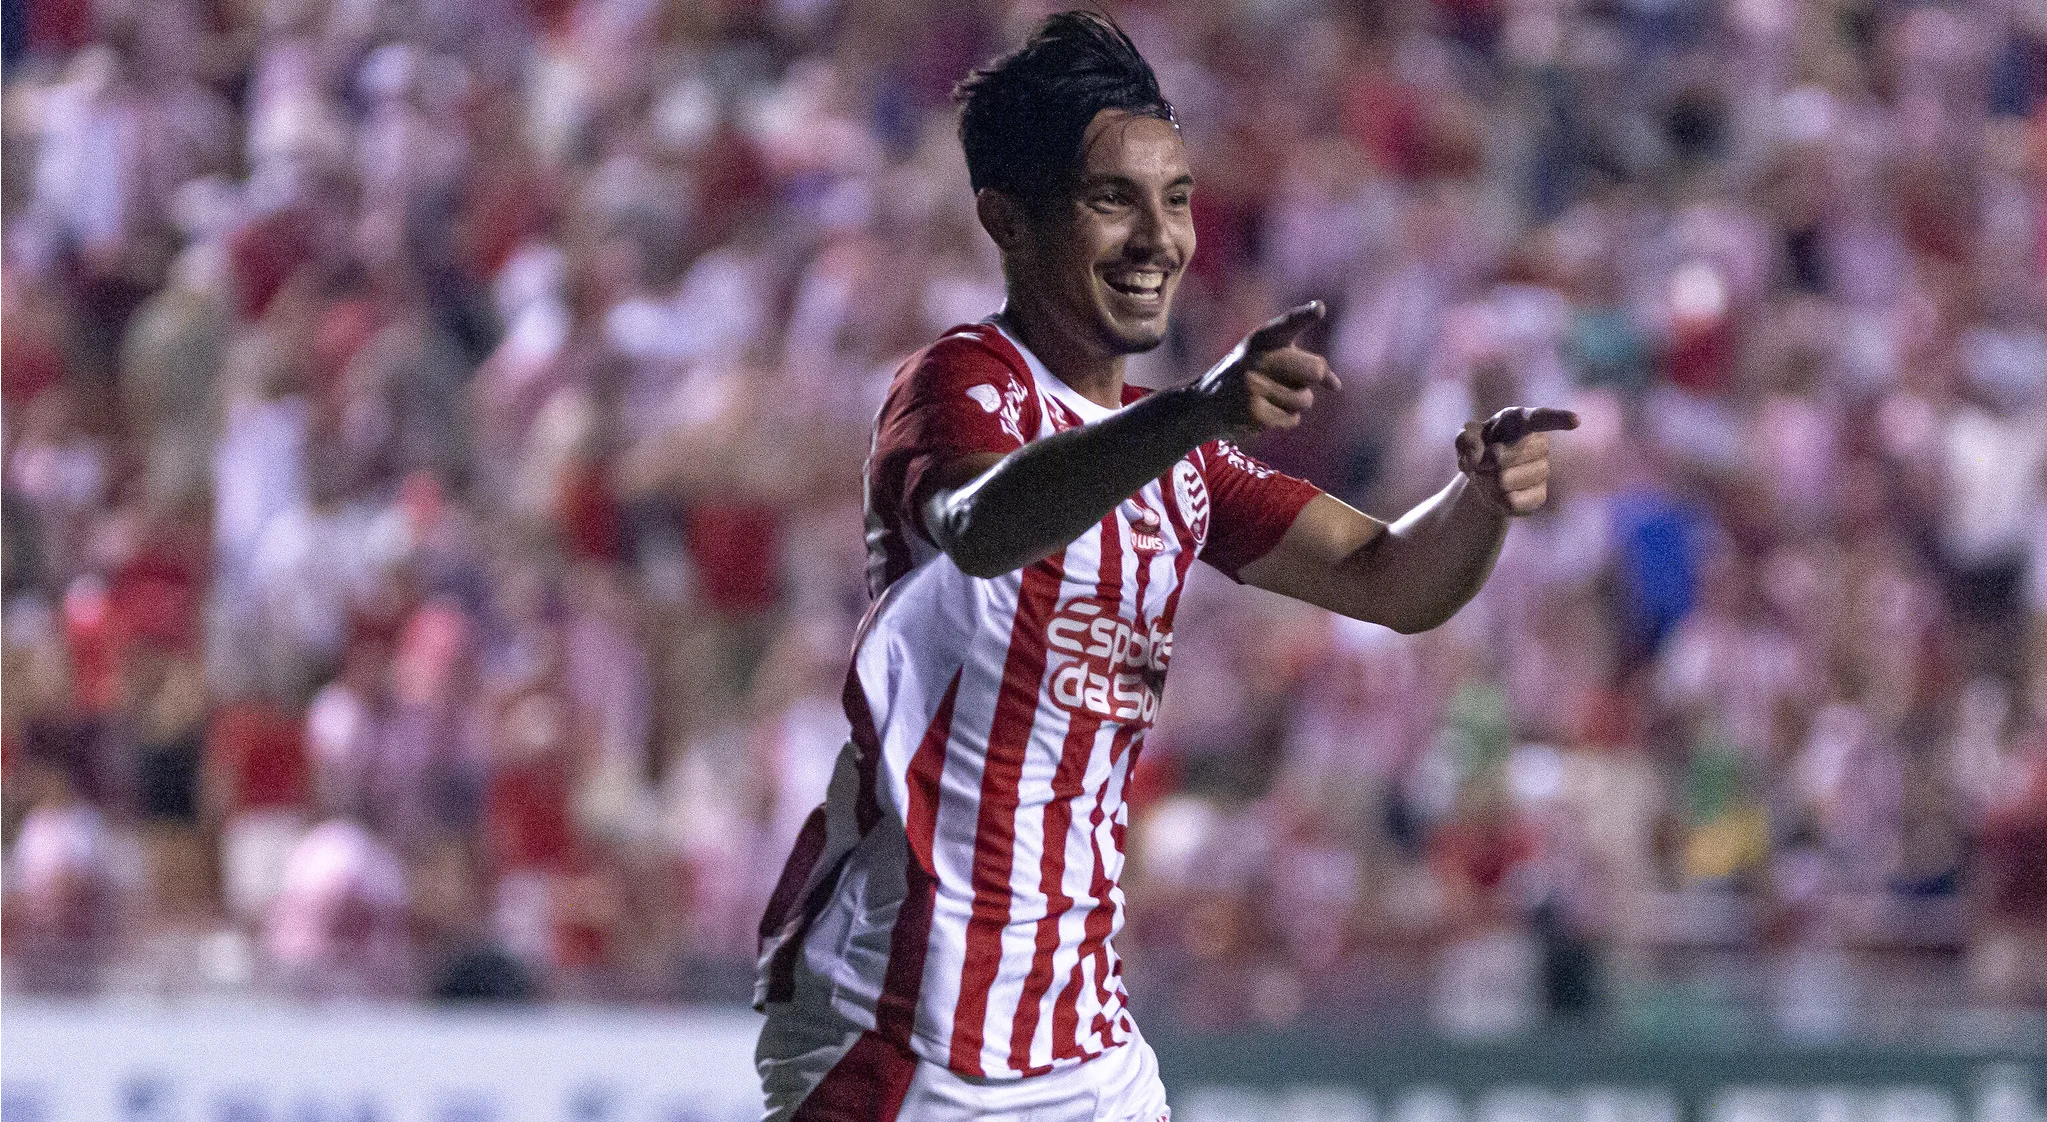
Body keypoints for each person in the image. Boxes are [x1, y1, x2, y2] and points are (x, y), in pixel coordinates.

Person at [752, 12, 1574, 1121]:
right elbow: (986, 525)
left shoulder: (1177, 458)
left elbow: (1391, 580)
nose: (1159, 237)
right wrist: (1191, 412)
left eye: (1176, 197)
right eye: (1111, 200)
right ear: (1008, 218)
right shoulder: (959, 383)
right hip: (904, 1034)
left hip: (1086, 1048)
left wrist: (1478, 502)